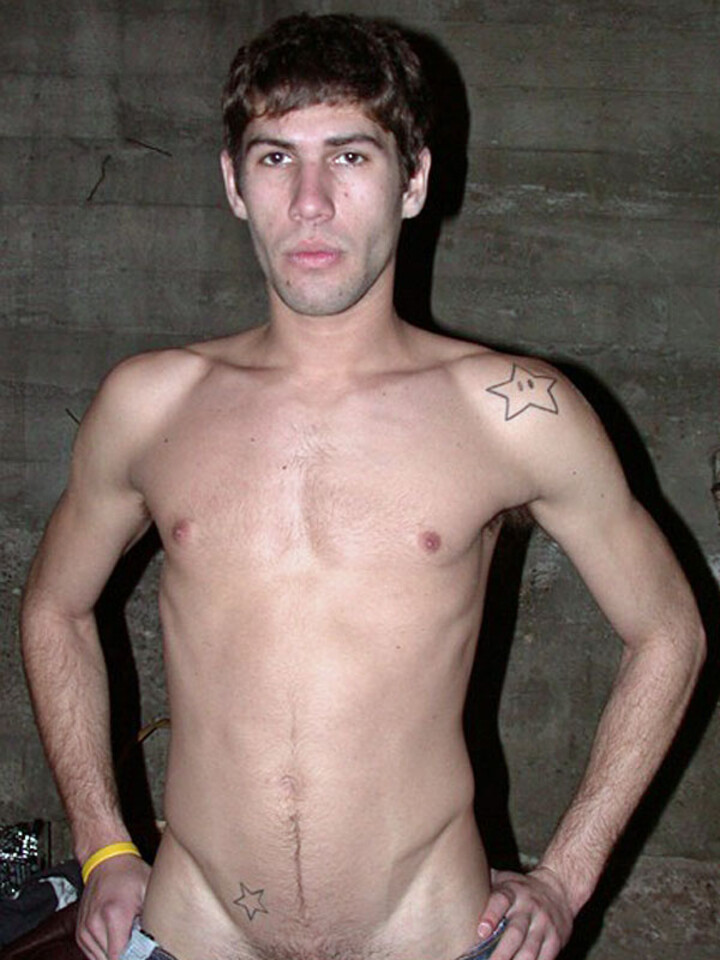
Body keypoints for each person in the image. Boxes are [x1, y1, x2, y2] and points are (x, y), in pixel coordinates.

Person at [20, 13, 705, 960]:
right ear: (233, 184)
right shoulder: (149, 404)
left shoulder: (513, 412)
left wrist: (566, 875)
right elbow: (54, 608)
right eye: (275, 158)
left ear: (413, 179)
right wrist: (102, 846)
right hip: (191, 933)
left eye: (349, 157)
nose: (310, 202)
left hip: (436, 935)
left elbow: (669, 631)